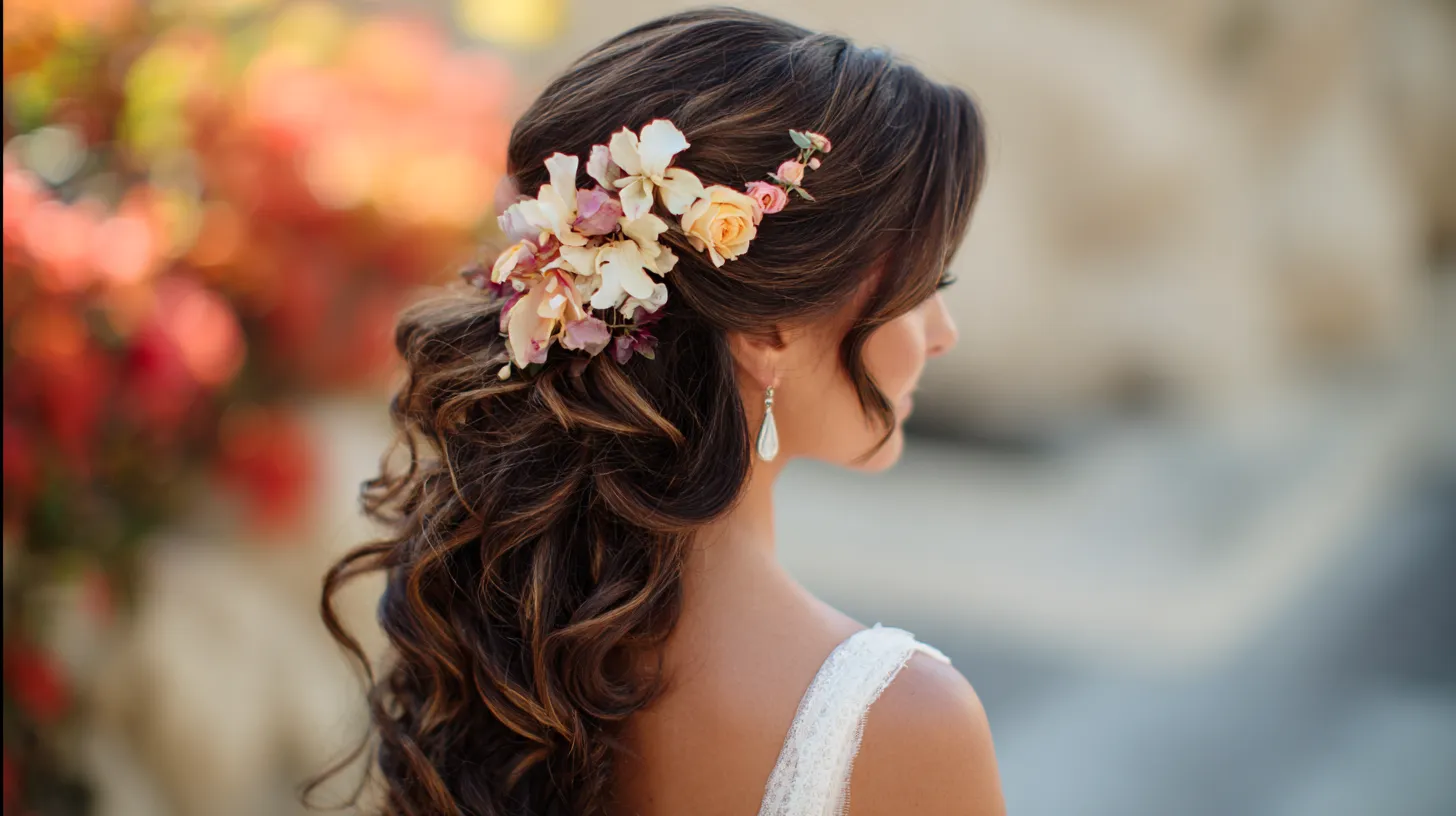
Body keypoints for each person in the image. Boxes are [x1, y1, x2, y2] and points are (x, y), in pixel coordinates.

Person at [309, 8, 1002, 815]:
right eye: (924, 289)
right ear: (769, 331)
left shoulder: (498, 635)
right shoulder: (904, 724)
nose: (942, 335)